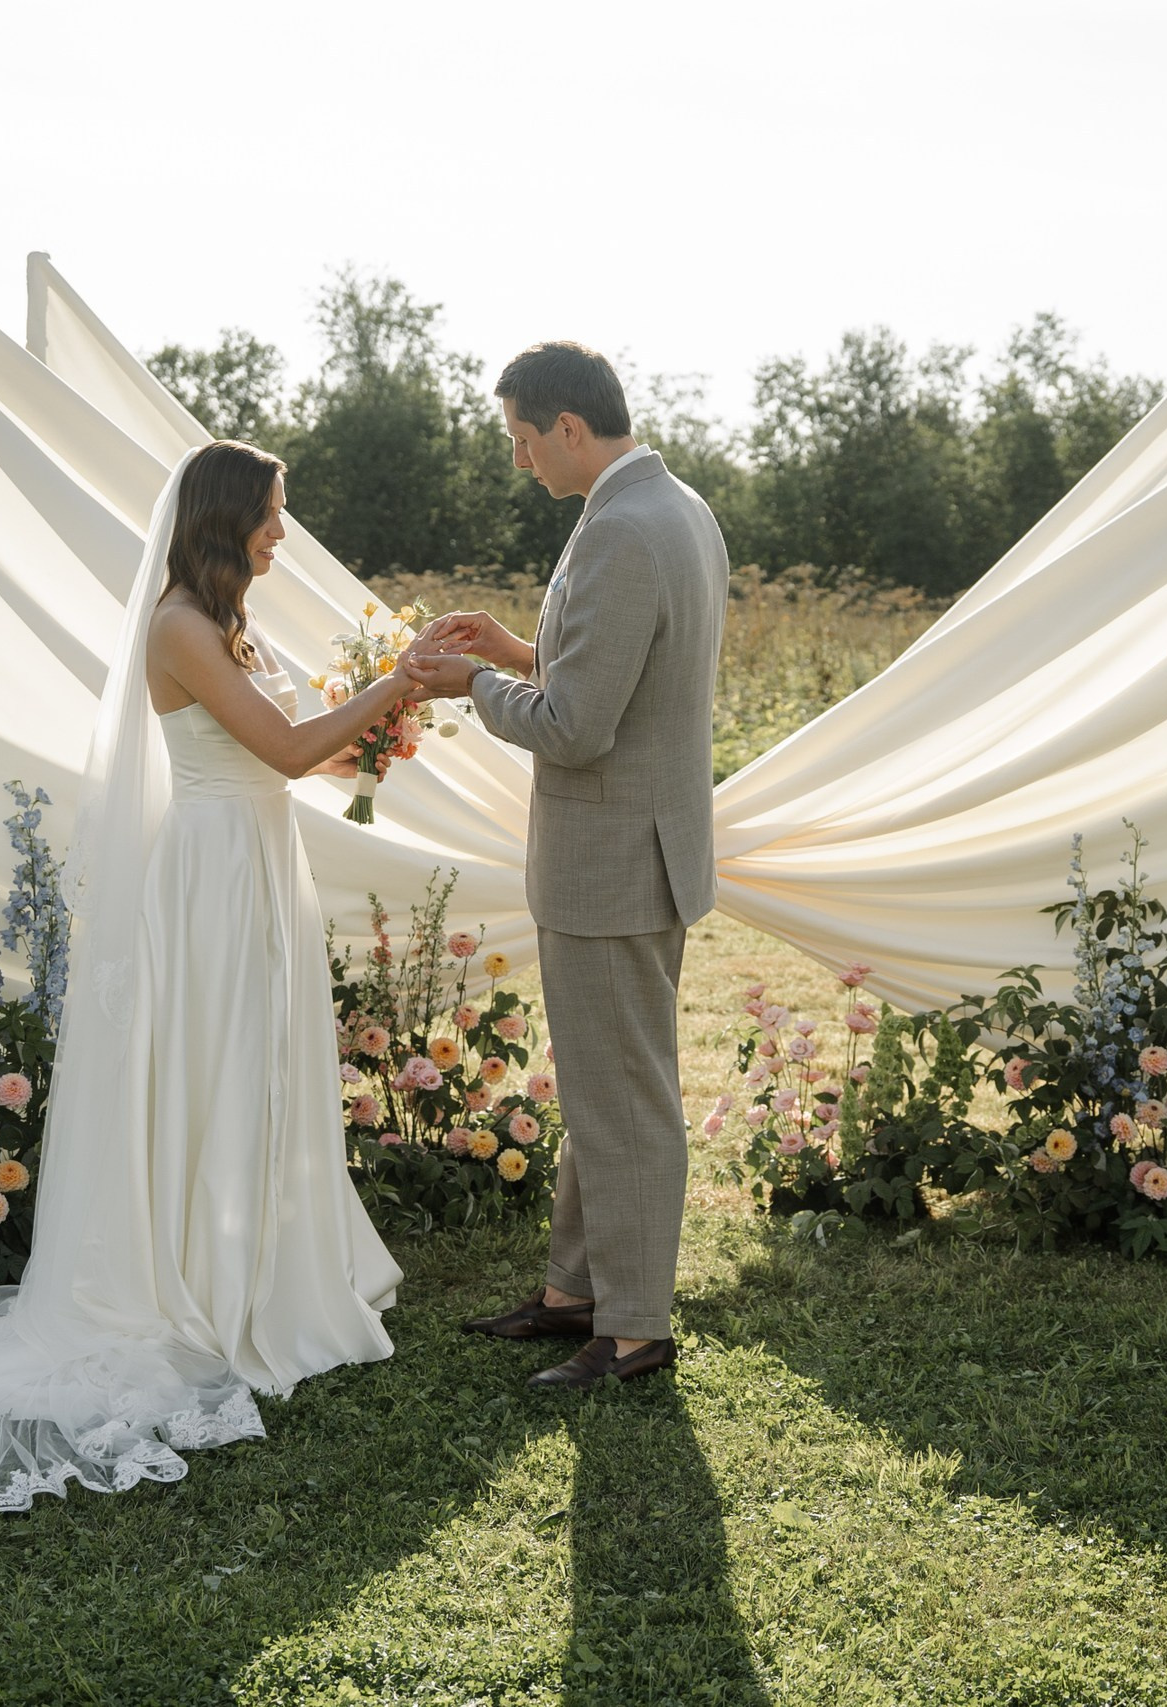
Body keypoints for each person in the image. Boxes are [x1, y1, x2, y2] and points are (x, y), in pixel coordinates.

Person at [0, 441, 433, 1518]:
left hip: (256, 864)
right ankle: (205, 1280)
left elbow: (298, 755)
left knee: (258, 1062)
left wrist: (377, 740)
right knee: (218, 1061)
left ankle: (260, 1258)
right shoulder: (180, 628)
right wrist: (394, 681)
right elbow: (284, 752)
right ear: (224, 517)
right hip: (208, 876)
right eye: (272, 515)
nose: (282, 534)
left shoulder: (231, 627)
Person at [408, 342, 728, 1392]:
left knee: (627, 1104)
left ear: (569, 430)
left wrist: (465, 686)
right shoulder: (676, 508)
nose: (519, 462)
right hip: (642, 852)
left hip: (613, 865)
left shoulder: (623, 530)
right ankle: (574, 1295)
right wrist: (514, 651)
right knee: (605, 1091)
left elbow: (581, 728)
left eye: (520, 440)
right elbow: (620, 676)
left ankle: (633, 1332)